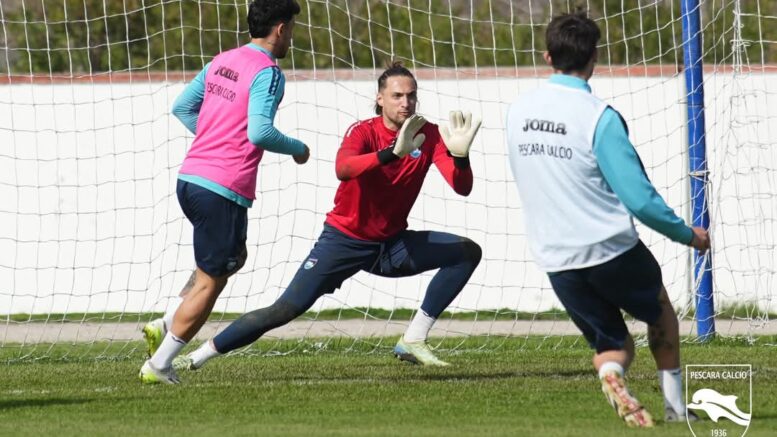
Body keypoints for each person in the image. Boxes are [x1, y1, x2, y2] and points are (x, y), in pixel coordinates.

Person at [172, 61, 483, 372]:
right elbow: (343, 169)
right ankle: (196, 357)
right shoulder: (363, 131)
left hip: (391, 246)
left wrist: (461, 157)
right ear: (380, 99)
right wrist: (391, 154)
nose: (406, 103)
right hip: (344, 241)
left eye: (411, 95)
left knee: (466, 253)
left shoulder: (428, 134)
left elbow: (462, 187)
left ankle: (413, 339)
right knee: (284, 310)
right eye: (397, 96)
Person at [505, 13, 710, 427]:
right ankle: (674, 409)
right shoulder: (598, 117)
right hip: (609, 247)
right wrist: (687, 235)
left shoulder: (518, 112)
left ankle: (612, 374)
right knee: (660, 313)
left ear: (548, 57)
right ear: (593, 57)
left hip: (556, 257)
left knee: (614, 344)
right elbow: (640, 200)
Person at [139, 0, 309, 385]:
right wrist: (298, 149)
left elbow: (182, 108)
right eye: (292, 29)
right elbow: (260, 132)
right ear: (281, 29)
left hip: (190, 180)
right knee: (213, 281)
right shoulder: (268, 72)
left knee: (228, 260)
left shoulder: (223, 59)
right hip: (222, 187)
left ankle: (165, 322)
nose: (292, 37)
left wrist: (214, 138)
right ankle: (159, 364)